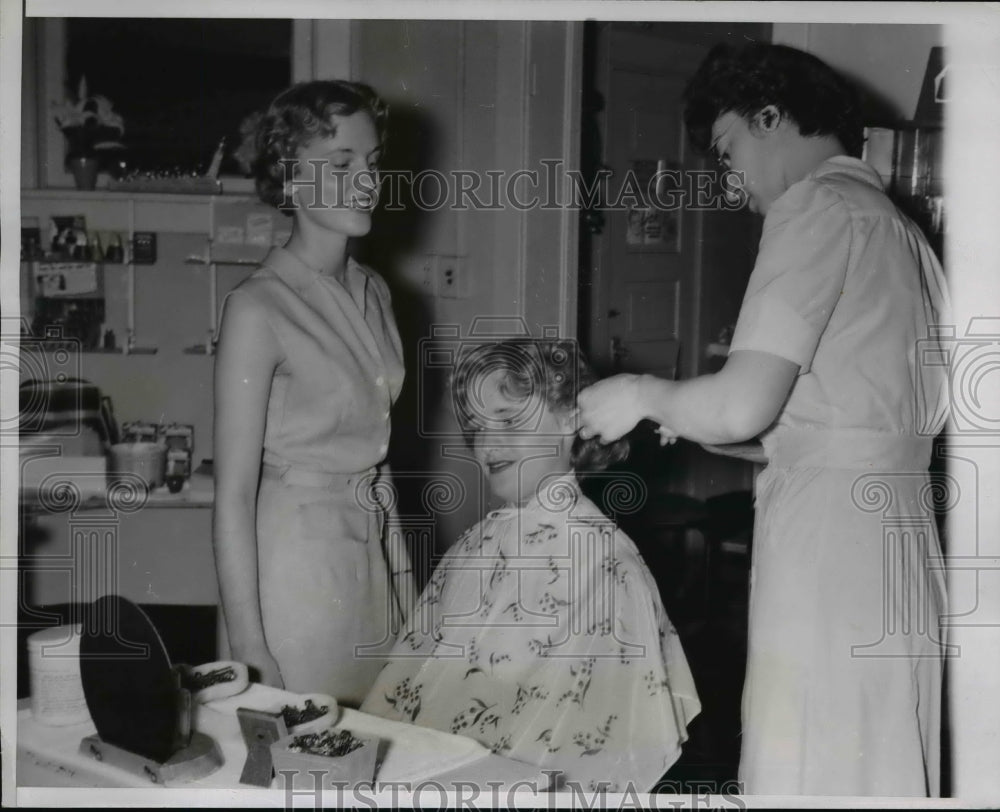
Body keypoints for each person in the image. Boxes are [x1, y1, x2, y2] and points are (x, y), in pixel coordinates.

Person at [577, 43, 950, 797]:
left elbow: (743, 401)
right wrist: (726, 430)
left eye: (728, 148)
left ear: (771, 116)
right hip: (898, 539)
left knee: (807, 760)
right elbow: (849, 423)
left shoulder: (813, 206)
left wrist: (644, 393)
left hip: (831, 549)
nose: (727, 177)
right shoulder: (898, 226)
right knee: (878, 759)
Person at [361, 340, 700, 792]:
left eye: (506, 419)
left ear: (569, 419)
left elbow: (591, 737)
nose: (487, 443)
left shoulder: (604, 562)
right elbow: (413, 683)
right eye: (476, 427)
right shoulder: (479, 542)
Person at [212, 80, 415, 706]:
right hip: (294, 573)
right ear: (290, 178)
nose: (366, 180)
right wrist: (249, 644)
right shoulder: (257, 307)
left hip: (376, 552)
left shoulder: (375, 291)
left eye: (373, 163)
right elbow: (232, 495)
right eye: (341, 163)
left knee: (381, 757)